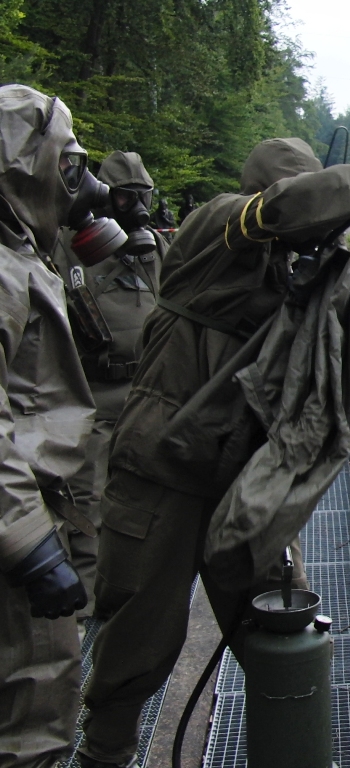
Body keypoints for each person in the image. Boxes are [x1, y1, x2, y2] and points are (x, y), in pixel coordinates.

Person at [76, 137, 350, 767]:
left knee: (285, 628)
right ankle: (105, 754)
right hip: (161, 473)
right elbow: (291, 206)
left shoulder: (302, 268)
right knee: (138, 637)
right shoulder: (217, 227)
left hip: (243, 481)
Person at [0, 85, 105, 768]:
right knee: (32, 716)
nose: (80, 184)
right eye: (67, 164)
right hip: (16, 537)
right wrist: (31, 546)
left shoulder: (20, 254)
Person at [51, 150, 168, 620]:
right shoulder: (67, 246)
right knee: (88, 500)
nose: (135, 208)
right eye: (124, 198)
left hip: (147, 391)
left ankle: (139, 588)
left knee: (147, 495)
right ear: (103, 195)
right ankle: (88, 604)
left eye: (143, 197)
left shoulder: (155, 250)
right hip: (93, 393)